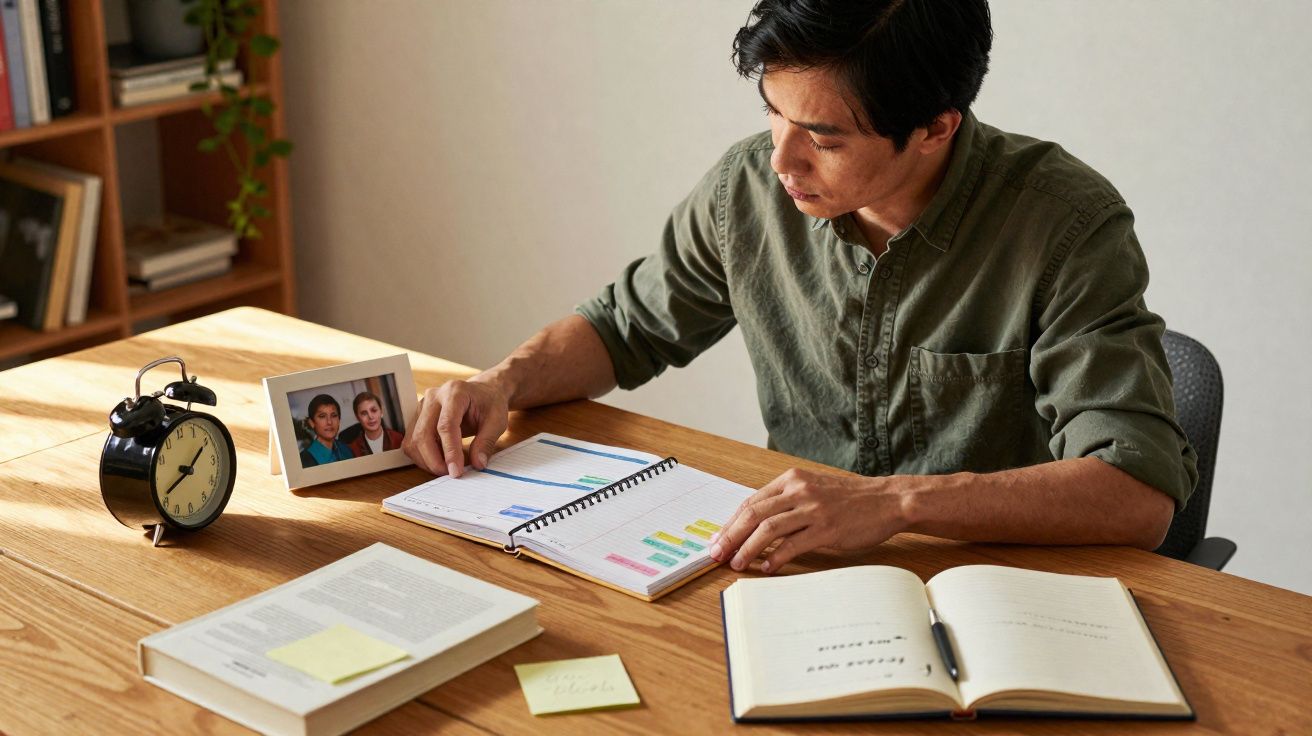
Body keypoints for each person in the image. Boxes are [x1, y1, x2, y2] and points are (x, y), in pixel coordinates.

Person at [403, 0, 1197, 574]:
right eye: (774, 115)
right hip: (795, 565)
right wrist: (502, 382)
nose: (782, 160)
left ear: (935, 127)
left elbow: (1136, 494)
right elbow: (624, 330)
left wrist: (894, 504)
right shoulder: (748, 188)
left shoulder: (1064, 224)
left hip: (991, 583)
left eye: (824, 137)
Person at [299, 394, 354, 467]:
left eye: (334, 416)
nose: (329, 422)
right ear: (312, 423)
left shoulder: (347, 450)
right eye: (322, 416)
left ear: (339, 420)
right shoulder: (303, 461)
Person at [346, 391, 405, 457]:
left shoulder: (398, 438)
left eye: (374, 410)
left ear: (381, 412)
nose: (370, 417)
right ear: (358, 418)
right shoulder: (353, 449)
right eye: (364, 413)